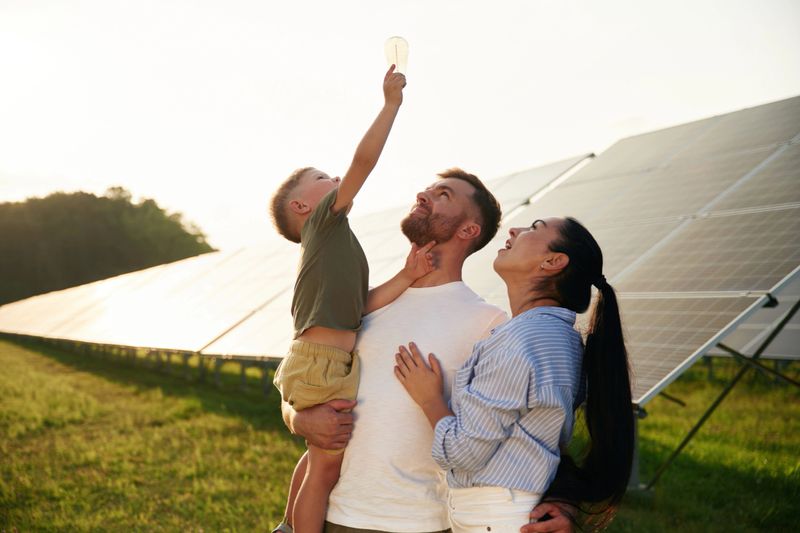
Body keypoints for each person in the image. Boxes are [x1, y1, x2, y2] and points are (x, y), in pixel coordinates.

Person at [283, 170, 579, 533]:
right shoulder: (361, 303)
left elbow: (542, 426)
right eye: (428, 188)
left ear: (468, 230)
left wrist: (565, 501)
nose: (424, 194)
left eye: (443, 195)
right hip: (329, 514)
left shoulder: (491, 325)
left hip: (423, 522)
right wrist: (298, 419)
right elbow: (302, 375)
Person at [269, 65, 436, 533]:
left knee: (319, 461)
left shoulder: (331, 246)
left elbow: (357, 309)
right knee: (326, 470)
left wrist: (407, 275)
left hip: (325, 359)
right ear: (304, 207)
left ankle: (287, 525)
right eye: (323, 177)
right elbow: (363, 163)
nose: (338, 176)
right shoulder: (325, 224)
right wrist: (390, 105)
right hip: (322, 361)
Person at [395, 217, 635, 532]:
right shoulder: (558, 337)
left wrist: (430, 398)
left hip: (496, 518)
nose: (514, 230)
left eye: (534, 228)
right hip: (507, 512)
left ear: (553, 261)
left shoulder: (525, 339)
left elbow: (463, 453)